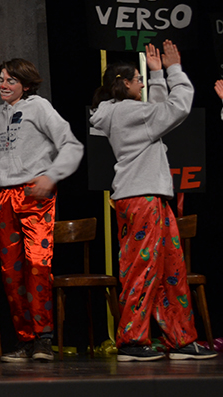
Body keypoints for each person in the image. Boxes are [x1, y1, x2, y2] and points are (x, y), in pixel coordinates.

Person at [0, 58, 84, 362]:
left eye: (10, 80)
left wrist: (52, 176)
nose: (3, 85)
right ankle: (25, 339)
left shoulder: (40, 108)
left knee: (37, 264)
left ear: (26, 84)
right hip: (4, 197)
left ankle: (43, 338)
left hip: (34, 195)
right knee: (11, 271)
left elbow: (71, 145)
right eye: (1, 79)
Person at [90, 41, 216, 362]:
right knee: (142, 269)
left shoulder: (125, 112)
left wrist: (157, 75)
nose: (142, 84)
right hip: (141, 197)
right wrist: (174, 70)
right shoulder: (128, 112)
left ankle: (180, 337)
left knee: (171, 268)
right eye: (139, 79)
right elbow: (177, 108)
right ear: (124, 83)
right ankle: (131, 340)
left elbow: (158, 117)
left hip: (150, 196)